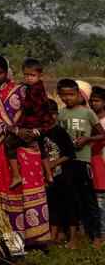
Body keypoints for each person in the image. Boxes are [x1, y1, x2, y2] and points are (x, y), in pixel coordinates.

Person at [0, 54, 52, 249]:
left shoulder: (21, 89)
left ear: (7, 72)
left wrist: (32, 132)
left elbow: (37, 111)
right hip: (3, 150)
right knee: (8, 193)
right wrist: (13, 130)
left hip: (27, 148)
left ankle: (37, 242)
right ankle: (14, 246)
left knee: (30, 191)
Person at [54, 78, 104, 244]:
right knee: (69, 198)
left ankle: (96, 235)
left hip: (83, 160)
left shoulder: (88, 113)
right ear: (59, 95)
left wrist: (88, 139)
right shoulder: (61, 114)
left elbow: (102, 134)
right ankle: (72, 236)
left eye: (71, 94)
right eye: (64, 95)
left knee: (88, 198)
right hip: (66, 161)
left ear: (78, 94)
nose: (67, 98)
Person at [2, 59, 59, 189]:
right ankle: (49, 174)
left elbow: (33, 110)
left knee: (9, 143)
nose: (29, 78)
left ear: (40, 75)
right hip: (42, 125)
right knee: (41, 147)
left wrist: (29, 127)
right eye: (26, 75)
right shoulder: (38, 87)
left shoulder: (33, 91)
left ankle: (16, 175)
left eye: (32, 75)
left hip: (33, 125)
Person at [91, 87, 105, 235]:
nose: (94, 103)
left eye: (97, 100)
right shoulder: (89, 118)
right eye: (92, 100)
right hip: (93, 162)